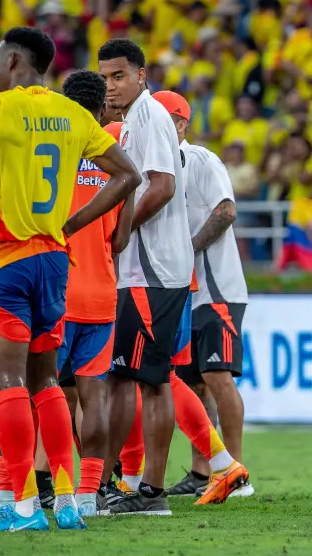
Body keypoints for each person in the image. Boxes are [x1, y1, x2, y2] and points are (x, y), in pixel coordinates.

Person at [0, 27, 142, 532]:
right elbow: (128, 176)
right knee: (48, 381)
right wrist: (74, 223)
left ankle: (22, 506)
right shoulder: (72, 113)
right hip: (53, 262)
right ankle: (66, 500)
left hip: (5, 259)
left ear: (13, 60)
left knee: (8, 382)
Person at [96, 38, 193, 516]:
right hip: (143, 271)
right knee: (124, 378)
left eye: (118, 76)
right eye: (105, 78)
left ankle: (148, 492)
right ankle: (106, 482)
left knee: (149, 381)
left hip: (151, 271)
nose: (110, 86)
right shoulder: (136, 118)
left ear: (140, 74)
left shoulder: (150, 115)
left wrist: (119, 233)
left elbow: (163, 186)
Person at [152, 90, 251, 502]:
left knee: (217, 376)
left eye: (165, 121)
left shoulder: (201, 160)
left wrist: (186, 248)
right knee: (192, 384)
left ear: (181, 124)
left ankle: (237, 472)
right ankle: (203, 470)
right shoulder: (155, 167)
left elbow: (226, 211)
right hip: (182, 293)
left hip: (217, 289)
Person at [57, 70, 136, 518]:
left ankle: (44, 488)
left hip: (56, 290)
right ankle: (91, 493)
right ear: (102, 108)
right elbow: (120, 241)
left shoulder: (53, 151)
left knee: (45, 394)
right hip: (102, 292)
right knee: (94, 398)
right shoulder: (115, 158)